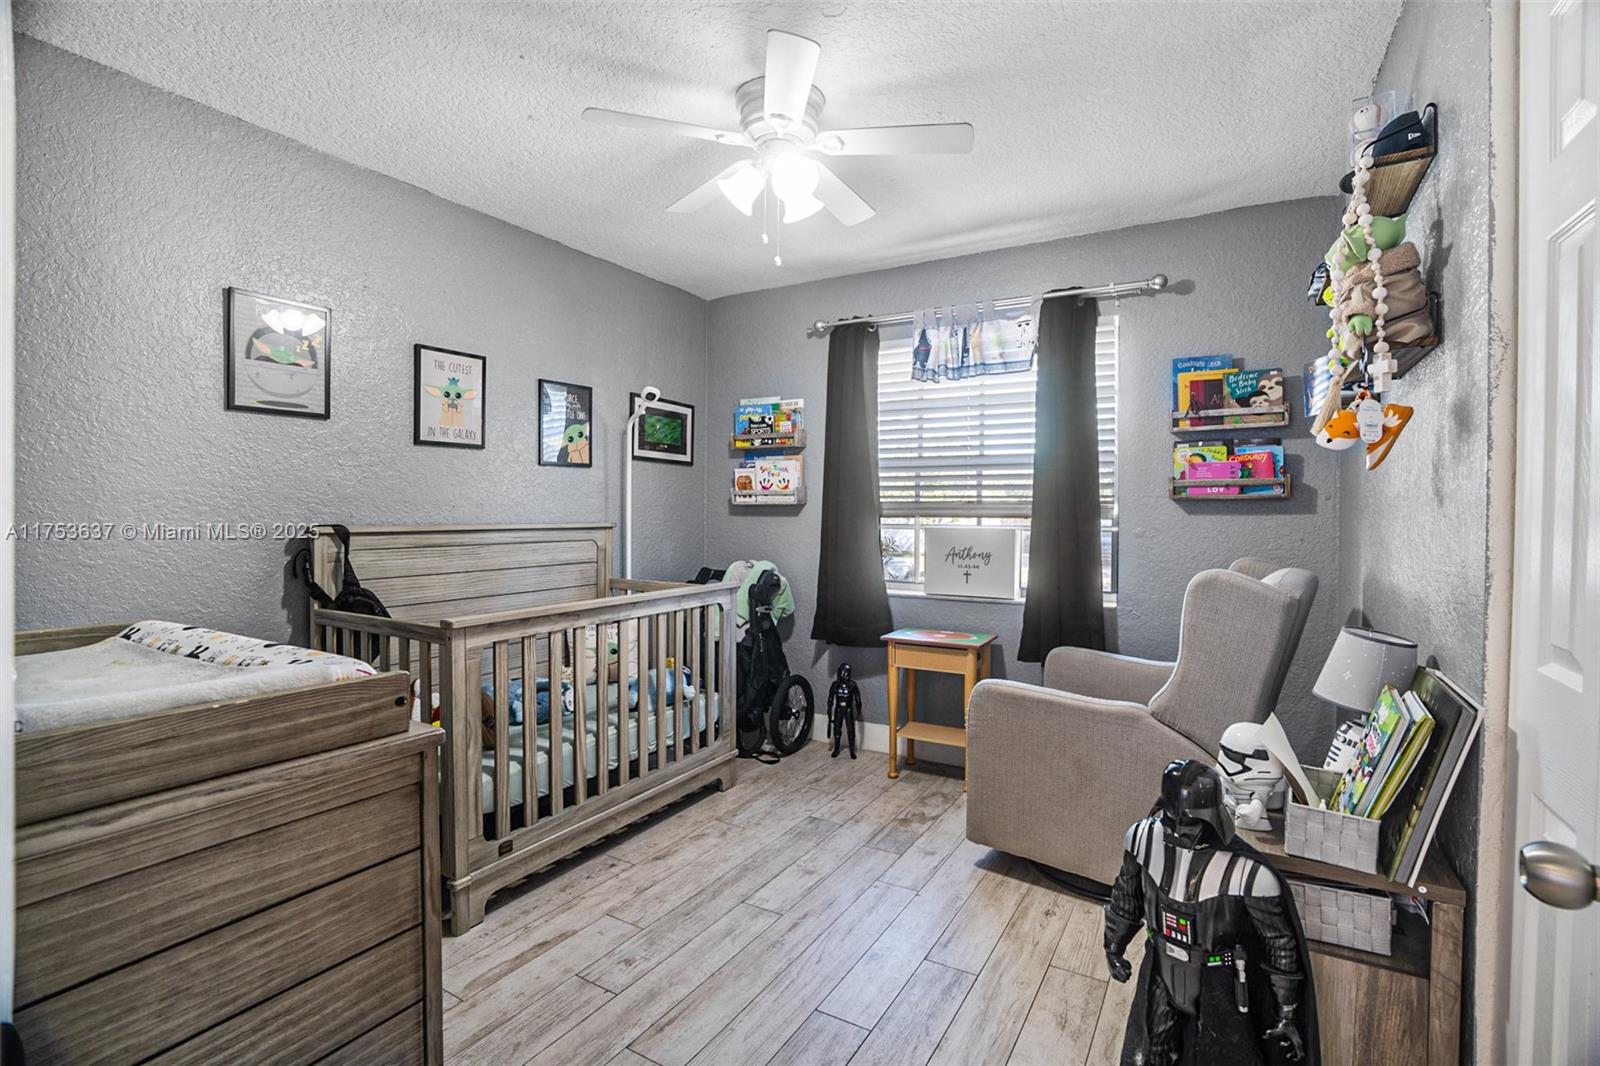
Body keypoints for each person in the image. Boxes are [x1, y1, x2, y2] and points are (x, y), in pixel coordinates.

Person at [1103, 759, 1318, 1066]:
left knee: (1222, 1056)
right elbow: (1126, 894)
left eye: (1189, 823)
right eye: (1173, 819)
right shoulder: (1142, 840)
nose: (1180, 830)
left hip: (1220, 979)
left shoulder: (1249, 874)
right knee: (1150, 1054)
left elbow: (1279, 944)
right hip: (1161, 965)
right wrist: (1114, 945)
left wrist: (1287, 1011)